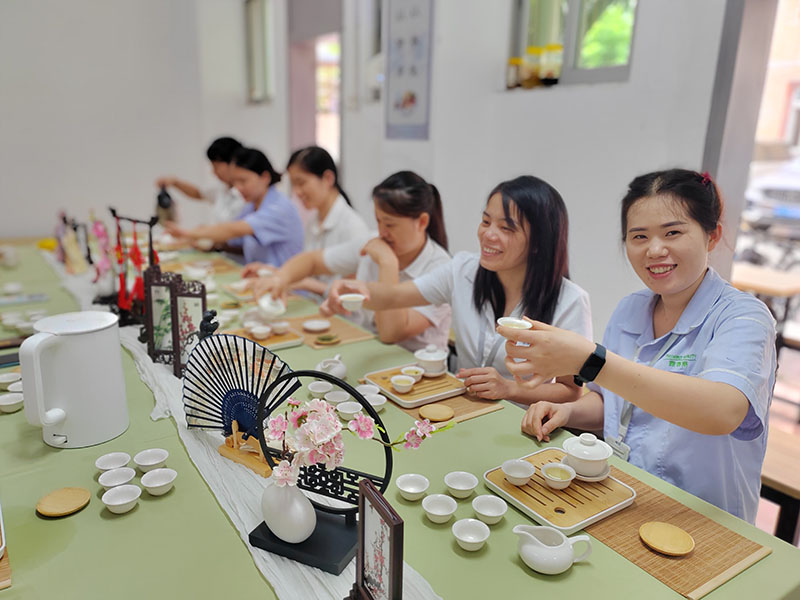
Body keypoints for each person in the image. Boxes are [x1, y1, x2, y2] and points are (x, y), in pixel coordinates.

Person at [500, 168, 776, 523]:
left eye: (673, 232)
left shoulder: (744, 317)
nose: (654, 250)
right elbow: (614, 403)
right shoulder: (630, 309)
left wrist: (590, 361)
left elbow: (723, 411)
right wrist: (569, 412)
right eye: (639, 236)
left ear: (712, 236)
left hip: (705, 519)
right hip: (625, 497)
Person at [325, 175, 592, 405]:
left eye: (506, 228)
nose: (488, 235)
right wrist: (357, 290)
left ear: (538, 242)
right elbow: (395, 296)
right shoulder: (464, 270)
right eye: (486, 221)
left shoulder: (570, 301)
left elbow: (571, 391)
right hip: (462, 406)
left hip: (521, 423)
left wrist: (510, 388)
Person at [251, 171, 451, 352]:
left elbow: (391, 333)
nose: (382, 232)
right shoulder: (373, 243)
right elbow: (312, 261)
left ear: (422, 222)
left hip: (414, 370)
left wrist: (388, 264)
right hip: (365, 349)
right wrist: (280, 278)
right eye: (378, 221)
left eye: (390, 224)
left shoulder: (440, 268)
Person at [243, 146, 368, 296]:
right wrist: (272, 272)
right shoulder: (314, 220)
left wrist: (295, 281)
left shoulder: (353, 227)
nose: (297, 192)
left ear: (328, 178)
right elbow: (307, 271)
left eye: (301, 183)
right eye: (293, 185)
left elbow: (352, 294)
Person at [166, 147, 303, 266]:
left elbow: (233, 230)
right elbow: (230, 234)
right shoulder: (251, 206)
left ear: (265, 177)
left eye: (243, 181)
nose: (238, 188)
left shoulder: (278, 207)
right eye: (235, 182)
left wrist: (188, 233)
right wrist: (196, 236)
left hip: (284, 284)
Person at [156, 136, 246, 224]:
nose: (214, 172)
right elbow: (198, 193)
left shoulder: (247, 195)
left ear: (232, 163)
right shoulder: (222, 189)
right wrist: (175, 182)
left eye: (216, 166)